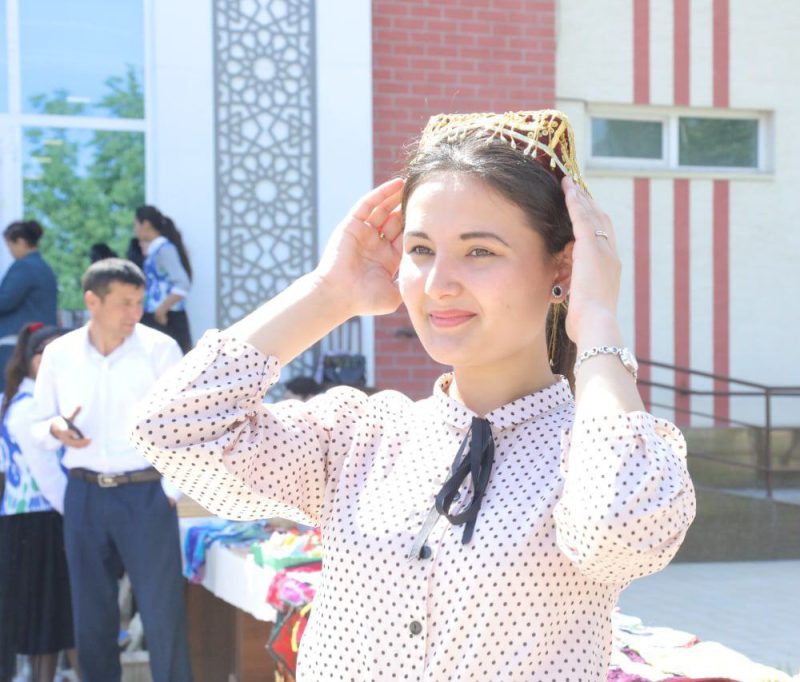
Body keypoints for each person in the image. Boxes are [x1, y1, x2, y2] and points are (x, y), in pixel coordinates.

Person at [131, 110, 696, 681]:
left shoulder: (599, 453)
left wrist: (596, 319)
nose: (437, 283)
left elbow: (622, 533)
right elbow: (174, 428)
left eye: (479, 251)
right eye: (421, 249)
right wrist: (327, 293)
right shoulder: (360, 435)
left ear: (563, 267)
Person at [27, 259, 192, 682]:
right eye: (124, 303)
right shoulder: (60, 355)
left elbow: (184, 427)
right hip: (84, 495)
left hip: (146, 493)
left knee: (163, 615)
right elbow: (36, 424)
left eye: (138, 302)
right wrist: (57, 428)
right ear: (91, 302)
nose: (134, 313)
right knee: (91, 621)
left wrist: (170, 492)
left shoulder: (160, 350)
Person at [0, 323, 76, 682]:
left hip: (33, 517)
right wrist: (78, 516)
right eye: (46, 354)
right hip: (40, 518)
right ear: (31, 359)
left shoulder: (23, 402)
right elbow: (45, 473)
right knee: (48, 619)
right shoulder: (28, 407)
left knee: (55, 617)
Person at [0, 221, 58, 390]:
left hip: (17, 342)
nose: (10, 251)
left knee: (8, 395)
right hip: (38, 341)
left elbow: (4, 301)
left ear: (21, 242)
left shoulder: (24, 267)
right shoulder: (45, 268)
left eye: (10, 245)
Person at [134, 205, 193, 354]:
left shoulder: (164, 250)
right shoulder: (155, 250)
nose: (135, 230)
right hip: (158, 318)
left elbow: (182, 283)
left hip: (167, 319)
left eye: (135, 225)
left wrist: (161, 310)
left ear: (145, 224)